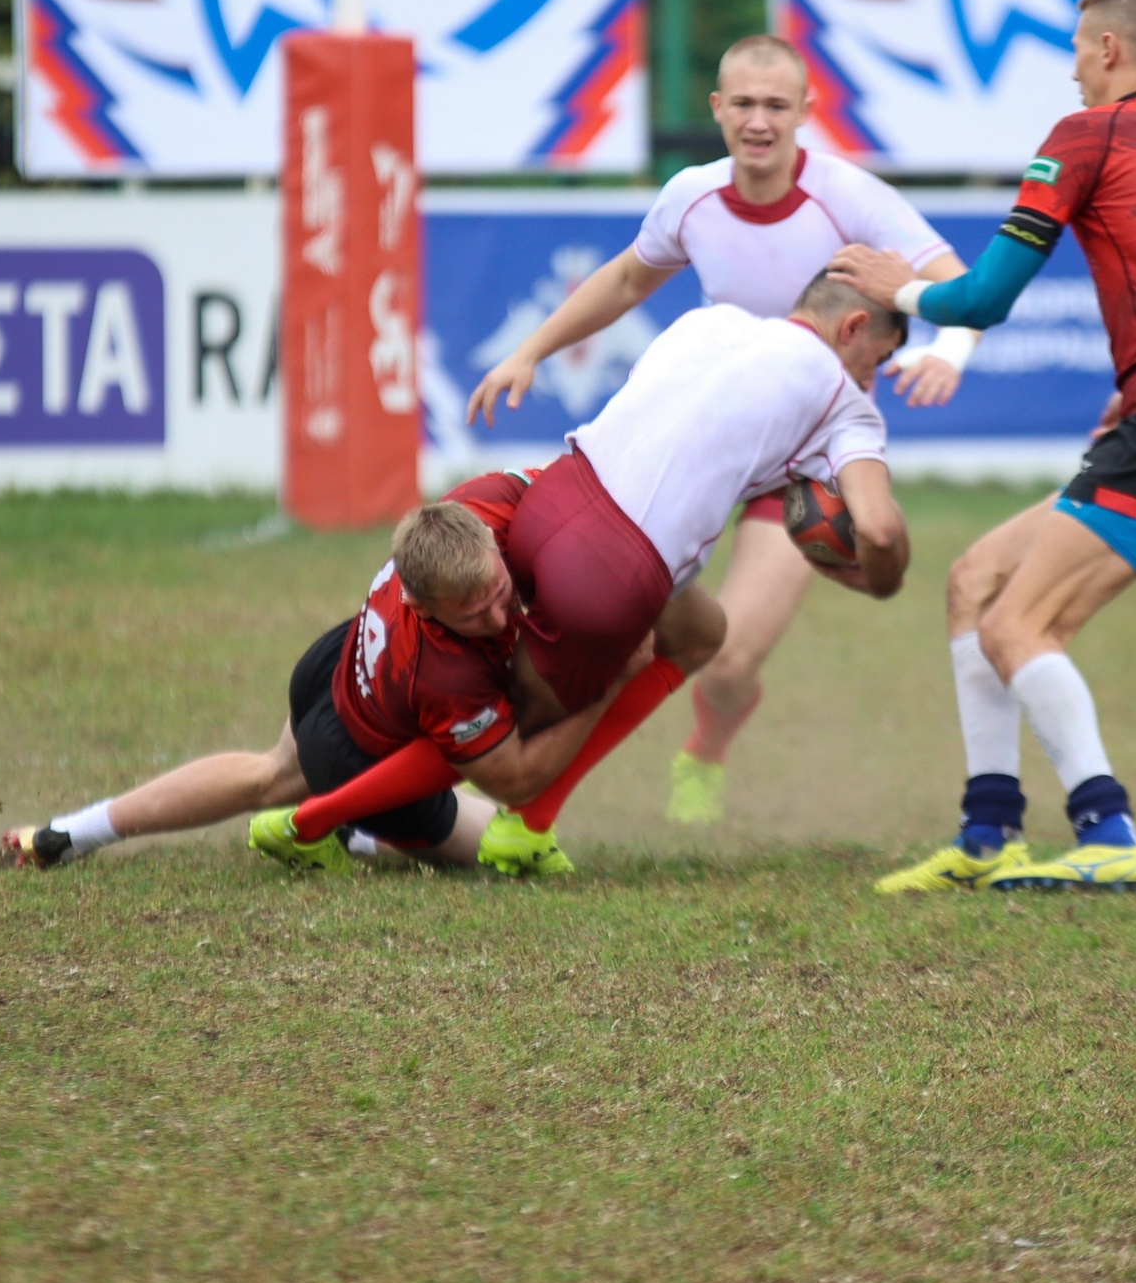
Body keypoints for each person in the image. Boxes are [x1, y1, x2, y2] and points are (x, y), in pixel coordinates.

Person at [829, 0, 1136, 895]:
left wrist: (892, 287)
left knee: (1020, 625)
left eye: (1076, 49)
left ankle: (1109, 834)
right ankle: (989, 834)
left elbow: (984, 294)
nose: (1071, 69)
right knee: (974, 585)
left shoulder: (1090, 132)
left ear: (1109, 49)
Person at [467, 34, 976, 830]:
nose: (760, 121)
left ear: (807, 112)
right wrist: (531, 349)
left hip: (801, 458)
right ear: (717, 109)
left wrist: (950, 349)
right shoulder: (692, 197)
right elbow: (630, 277)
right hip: (699, 444)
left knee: (732, 653)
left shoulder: (852, 198)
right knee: (632, 632)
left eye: (778, 105)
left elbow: (960, 286)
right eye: (744, 103)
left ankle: (706, 745)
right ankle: (528, 813)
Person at [317, 270, 912, 873]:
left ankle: (527, 822)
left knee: (703, 631)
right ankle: (318, 820)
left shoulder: (714, 319)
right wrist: (881, 577)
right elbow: (880, 528)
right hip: (613, 572)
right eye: (876, 363)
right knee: (507, 744)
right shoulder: (846, 404)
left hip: (555, 497)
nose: (870, 382)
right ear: (853, 327)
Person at [0, 483, 679, 874]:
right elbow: (516, 778)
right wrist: (614, 683)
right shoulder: (445, 671)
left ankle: (68, 832)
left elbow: (571, 500)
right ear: (424, 604)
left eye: (503, 590)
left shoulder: (479, 506)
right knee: (507, 859)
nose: (506, 612)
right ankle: (356, 828)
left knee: (265, 775)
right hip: (360, 749)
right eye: (480, 613)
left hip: (336, 666)